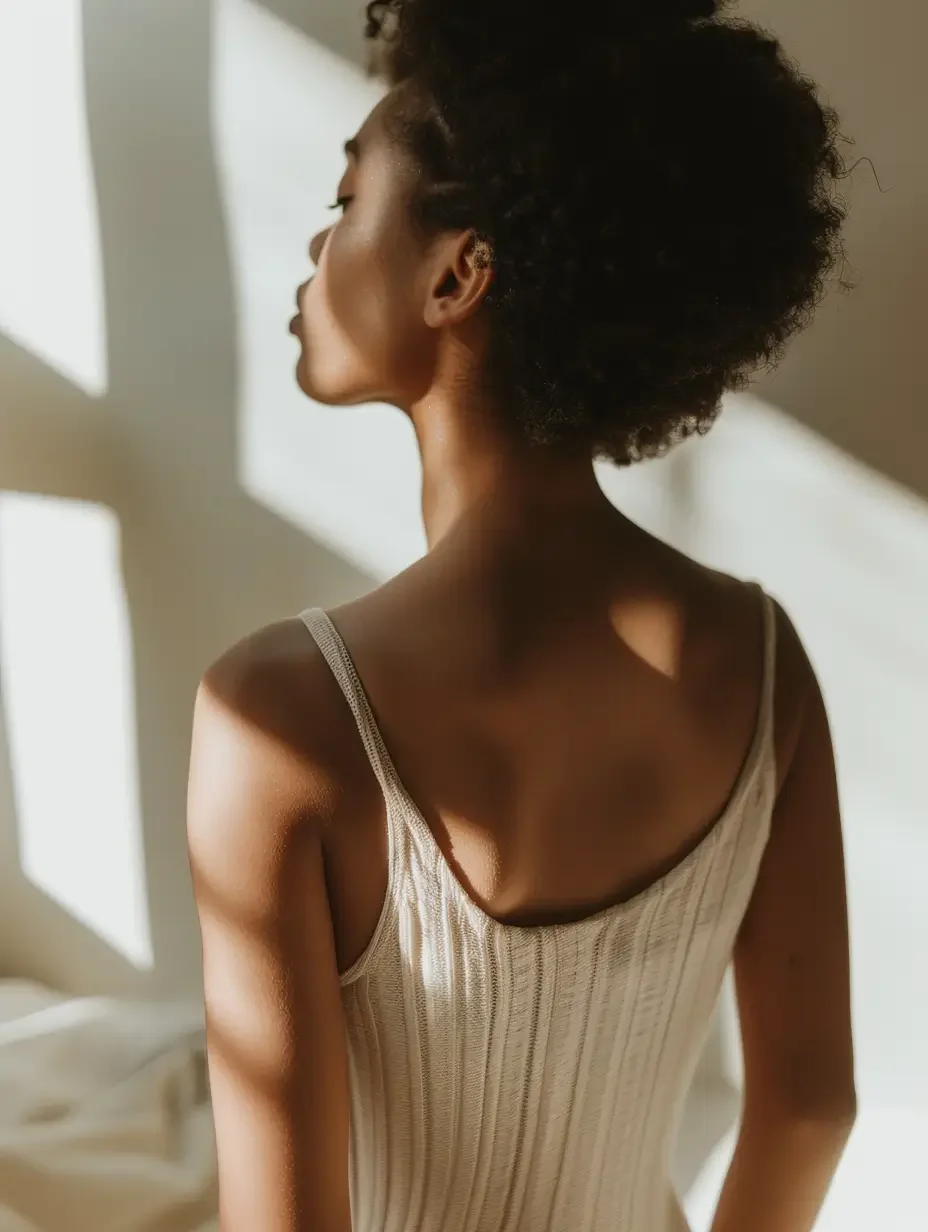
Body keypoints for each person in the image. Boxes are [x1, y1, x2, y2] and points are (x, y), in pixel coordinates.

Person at [185, 1, 857, 1229]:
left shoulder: (273, 713)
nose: (317, 241)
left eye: (345, 202)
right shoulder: (761, 664)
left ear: (458, 272)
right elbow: (810, 1109)